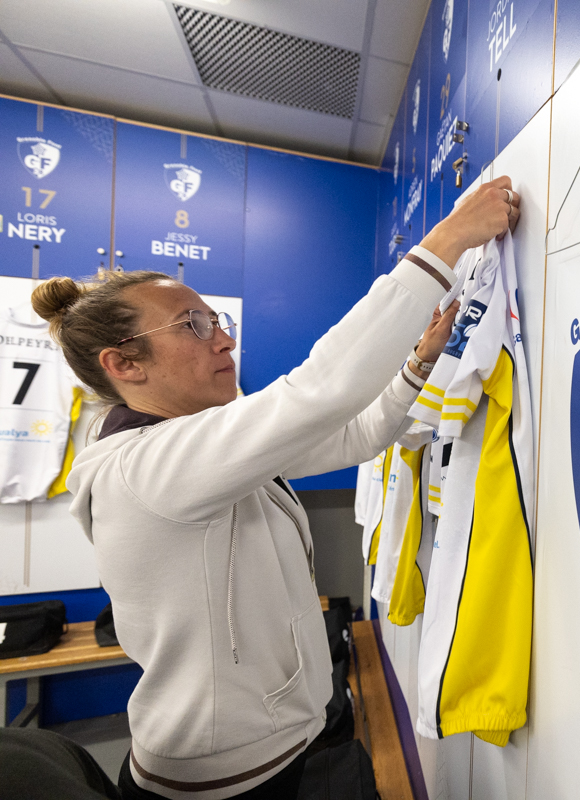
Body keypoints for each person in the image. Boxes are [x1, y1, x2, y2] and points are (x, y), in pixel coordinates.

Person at [30, 178, 521, 800]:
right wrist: (448, 240)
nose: (224, 338)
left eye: (215, 319)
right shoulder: (147, 467)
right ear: (123, 365)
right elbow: (318, 392)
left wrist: (418, 364)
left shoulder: (194, 442)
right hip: (220, 779)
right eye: (192, 324)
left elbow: (354, 436)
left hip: (267, 750)